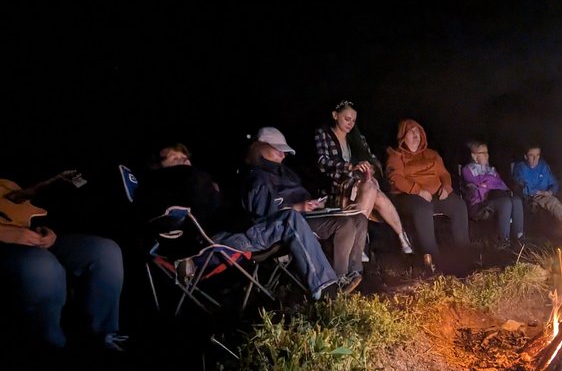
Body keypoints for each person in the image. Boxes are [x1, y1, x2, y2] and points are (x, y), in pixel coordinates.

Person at [138, 137, 354, 300]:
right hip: (220, 239)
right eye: (175, 158)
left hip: (236, 230)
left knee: (292, 218)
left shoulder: (194, 180)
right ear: (157, 165)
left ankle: (330, 281)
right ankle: (326, 289)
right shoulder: (168, 186)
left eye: (185, 158)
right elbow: (174, 225)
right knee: (290, 219)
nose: (184, 162)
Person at [1, 169, 126, 352]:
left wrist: (47, 232)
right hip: (8, 245)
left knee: (105, 251)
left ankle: (104, 337)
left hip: (28, 236)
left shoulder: (6, 183)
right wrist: (5, 232)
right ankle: (53, 346)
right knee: (42, 266)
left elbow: (16, 203)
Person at [244, 127, 368, 294]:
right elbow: (265, 219)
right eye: (278, 149)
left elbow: (301, 196)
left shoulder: (285, 173)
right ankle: (339, 279)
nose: (283, 154)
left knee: (359, 218)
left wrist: (317, 204)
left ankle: (354, 273)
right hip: (288, 226)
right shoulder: (258, 178)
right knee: (344, 224)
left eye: (284, 151)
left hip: (306, 216)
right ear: (260, 147)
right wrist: (298, 207)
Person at [314, 100, 414, 255]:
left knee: (371, 187)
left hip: (358, 183)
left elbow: (371, 159)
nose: (350, 124)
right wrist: (350, 167)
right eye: (347, 119)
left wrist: (370, 171)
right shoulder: (323, 134)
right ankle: (399, 236)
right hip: (334, 184)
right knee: (373, 190)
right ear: (335, 115)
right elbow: (322, 162)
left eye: (353, 120)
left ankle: (388, 239)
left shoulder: (356, 138)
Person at [385, 119, 470, 269]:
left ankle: (464, 251)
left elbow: (444, 174)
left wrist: (446, 187)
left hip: (435, 194)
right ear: (403, 135)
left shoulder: (432, 154)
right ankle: (432, 258)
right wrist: (417, 190)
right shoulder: (396, 155)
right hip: (408, 196)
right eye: (411, 131)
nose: (415, 134)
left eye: (417, 131)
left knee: (458, 205)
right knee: (423, 208)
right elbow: (395, 178)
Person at [460, 141, 523, 247]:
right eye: (483, 153)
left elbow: (502, 186)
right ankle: (504, 241)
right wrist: (491, 182)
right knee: (505, 202)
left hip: (494, 198)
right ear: (474, 156)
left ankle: (519, 238)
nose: (486, 155)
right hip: (479, 204)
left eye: (487, 152)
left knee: (516, 200)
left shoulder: (491, 169)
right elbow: (477, 186)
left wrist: (487, 183)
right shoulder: (468, 170)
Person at [511, 143, 562, 232]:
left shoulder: (543, 166)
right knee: (552, 201)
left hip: (545, 195)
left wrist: (550, 192)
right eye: (531, 155)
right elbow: (523, 187)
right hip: (530, 198)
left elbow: (554, 183)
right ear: (525, 156)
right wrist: (540, 193)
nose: (535, 159)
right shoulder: (520, 168)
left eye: (537, 155)